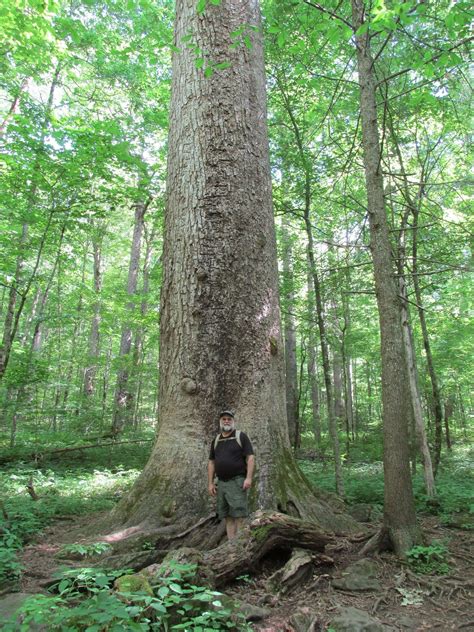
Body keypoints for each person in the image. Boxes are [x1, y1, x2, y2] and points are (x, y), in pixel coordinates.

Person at [208, 410, 255, 540]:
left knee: (239, 515)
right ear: (220, 422)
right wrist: (211, 483)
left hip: (237, 481)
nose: (226, 421)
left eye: (229, 419)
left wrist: (249, 478)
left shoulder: (241, 436)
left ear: (233, 421)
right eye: (224, 419)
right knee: (227, 516)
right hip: (221, 483)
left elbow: (250, 458)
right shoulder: (216, 440)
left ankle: (240, 545)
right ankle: (231, 545)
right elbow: (211, 462)